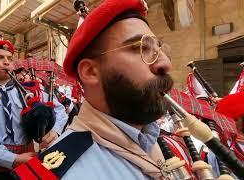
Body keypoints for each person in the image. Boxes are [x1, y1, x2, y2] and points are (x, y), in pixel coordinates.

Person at [16, 0, 177, 179]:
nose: (165, 63)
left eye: (159, 48)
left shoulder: (154, 140)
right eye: (141, 48)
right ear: (90, 71)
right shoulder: (63, 173)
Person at [0, 39, 68, 180]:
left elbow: (59, 109)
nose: (6, 62)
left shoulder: (31, 90)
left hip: (29, 162)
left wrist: (55, 130)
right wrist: (12, 159)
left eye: (9, 58)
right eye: (0, 57)